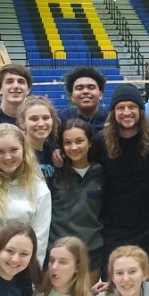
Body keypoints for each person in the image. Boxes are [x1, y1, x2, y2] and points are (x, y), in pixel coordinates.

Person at [95, 84, 149, 283]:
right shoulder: (100, 142)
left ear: (140, 110)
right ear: (113, 112)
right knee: (115, 287)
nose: (126, 112)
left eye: (132, 107)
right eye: (121, 108)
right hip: (115, 228)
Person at [0, 124, 51, 266]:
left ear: (24, 149)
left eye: (14, 149)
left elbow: (39, 240)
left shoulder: (38, 188)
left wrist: (31, 280)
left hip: (16, 270)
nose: (7, 157)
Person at [50, 119, 105, 281]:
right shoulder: (54, 173)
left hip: (91, 254)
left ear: (90, 143)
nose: (74, 147)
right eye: (68, 143)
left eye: (79, 141)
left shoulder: (102, 173)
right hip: (58, 253)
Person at [17, 95, 58, 181]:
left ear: (52, 120)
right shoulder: (16, 151)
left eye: (46, 118)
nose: (41, 124)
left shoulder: (53, 151)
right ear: (22, 123)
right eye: (34, 119)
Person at [60, 66, 108, 135]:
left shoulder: (111, 118)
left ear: (100, 95)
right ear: (71, 96)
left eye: (91, 87)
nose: (85, 91)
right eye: (79, 88)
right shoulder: (61, 119)